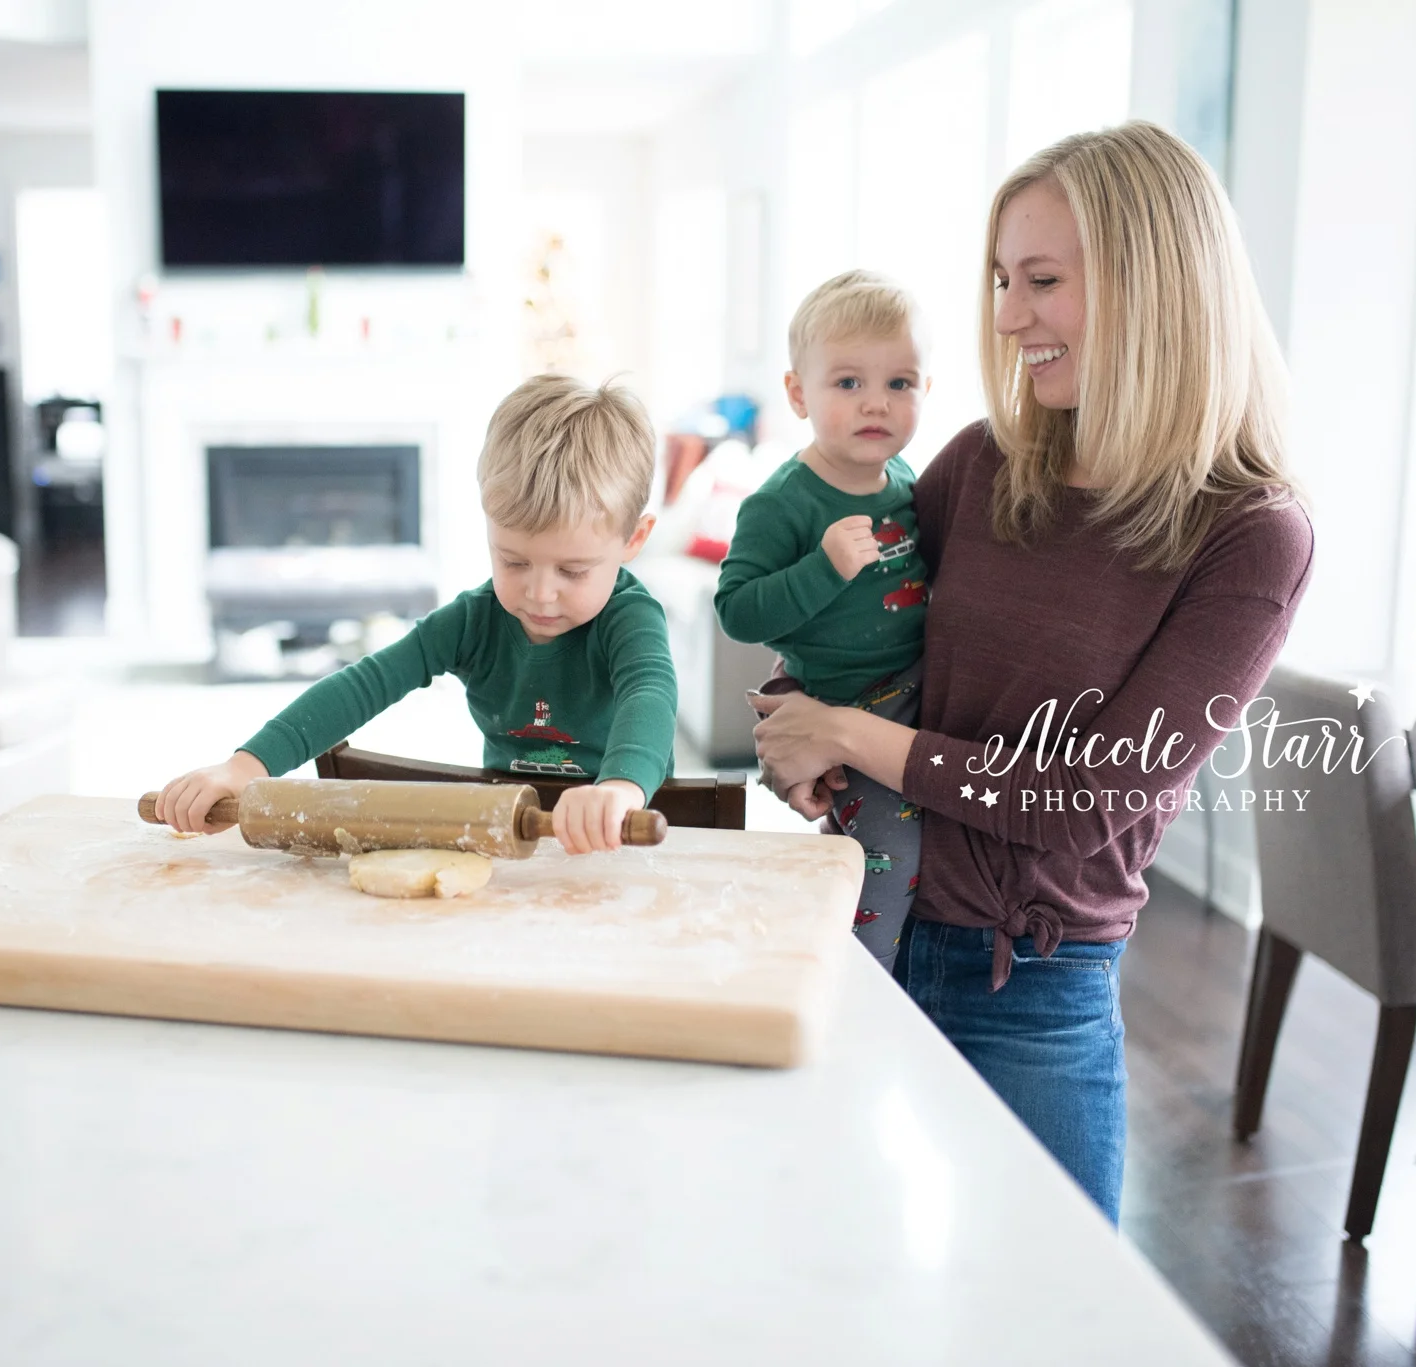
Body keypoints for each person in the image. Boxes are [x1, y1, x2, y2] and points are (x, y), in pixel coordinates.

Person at [749, 121, 1314, 1222]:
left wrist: (851, 736)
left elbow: (1090, 802)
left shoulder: (1249, 534)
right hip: (858, 924)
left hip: (1029, 988)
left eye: (1041, 280)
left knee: (1060, 1324)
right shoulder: (981, 464)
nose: (1006, 316)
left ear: (1155, 286)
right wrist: (791, 722)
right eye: (1002, 278)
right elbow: (849, 645)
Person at [155, 374, 679, 854]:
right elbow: (366, 683)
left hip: (629, 839)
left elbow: (649, 693)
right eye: (513, 561)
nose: (540, 593)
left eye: (573, 571)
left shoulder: (629, 620)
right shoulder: (475, 621)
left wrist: (618, 788)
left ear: (633, 539)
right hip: (514, 840)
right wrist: (246, 767)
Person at [714, 271, 934, 971]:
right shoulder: (782, 503)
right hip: (845, 699)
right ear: (798, 393)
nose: (877, 402)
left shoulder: (909, 482)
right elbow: (738, 610)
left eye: (900, 382)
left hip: (919, 690)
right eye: (848, 383)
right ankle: (861, 983)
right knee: (885, 856)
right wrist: (824, 568)